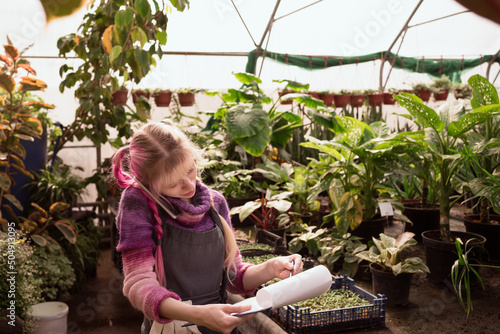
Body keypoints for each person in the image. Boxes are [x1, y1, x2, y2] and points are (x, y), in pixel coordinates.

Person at [112, 120, 303, 334]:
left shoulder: (215, 203)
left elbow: (234, 277)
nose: (189, 185)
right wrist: (199, 315)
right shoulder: (137, 203)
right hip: (173, 328)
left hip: (220, 326)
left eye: (190, 169)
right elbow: (137, 284)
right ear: (148, 183)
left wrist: (269, 269)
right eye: (173, 183)